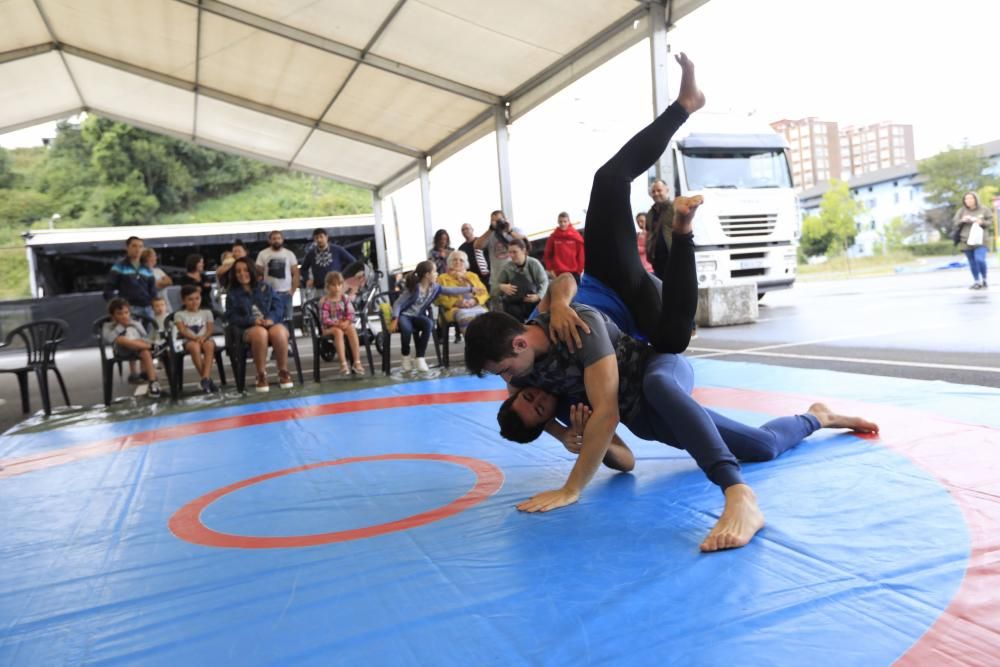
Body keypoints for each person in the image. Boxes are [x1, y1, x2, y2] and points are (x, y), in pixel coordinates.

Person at [467, 52, 785, 552]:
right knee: (695, 364)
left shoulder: (547, 329)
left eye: (511, 376)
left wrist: (559, 305)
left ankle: (684, 106)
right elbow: (619, 454)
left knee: (608, 181)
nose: (518, 384)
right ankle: (817, 417)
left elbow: (566, 279)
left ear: (518, 342)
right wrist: (564, 435)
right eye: (515, 387)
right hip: (641, 332)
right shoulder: (533, 380)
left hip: (614, 292)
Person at [390, 260, 474, 372]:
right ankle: (405, 356)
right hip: (405, 316)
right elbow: (398, 303)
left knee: (428, 324)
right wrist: (395, 319)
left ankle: (420, 357)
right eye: (434, 272)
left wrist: (470, 289)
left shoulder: (434, 288)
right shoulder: (415, 288)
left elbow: (451, 290)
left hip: (417, 316)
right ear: (427, 274)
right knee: (407, 330)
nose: (437, 274)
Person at [226, 257, 294, 392]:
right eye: (238, 271)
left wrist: (271, 319)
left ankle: (283, 372)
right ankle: (261, 374)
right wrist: (252, 321)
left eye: (245, 270)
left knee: (279, 332)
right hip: (248, 329)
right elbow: (232, 317)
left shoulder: (266, 287)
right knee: (260, 332)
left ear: (251, 271)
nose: (242, 273)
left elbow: (279, 306)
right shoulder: (232, 294)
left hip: (272, 324)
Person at [102, 297, 162, 398]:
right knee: (121, 339)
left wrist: (134, 326)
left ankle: (153, 382)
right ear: (112, 315)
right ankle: (153, 347)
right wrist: (122, 326)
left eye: (126, 312)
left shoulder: (135, 323)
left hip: (139, 348)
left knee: (145, 351)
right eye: (119, 313)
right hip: (122, 350)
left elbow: (144, 335)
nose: (124, 316)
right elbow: (110, 338)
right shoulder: (108, 326)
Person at [174, 284, 219, 393]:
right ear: (183, 301)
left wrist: (203, 337)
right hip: (188, 340)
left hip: (205, 339)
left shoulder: (207, 312)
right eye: (190, 300)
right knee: (194, 347)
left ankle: (205, 379)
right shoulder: (179, 314)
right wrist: (195, 338)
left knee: (209, 345)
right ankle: (207, 379)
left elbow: (210, 329)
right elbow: (182, 330)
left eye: (197, 298)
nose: (194, 302)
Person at [319, 271, 364, 375]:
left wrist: (347, 322)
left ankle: (357, 362)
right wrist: (336, 323)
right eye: (334, 285)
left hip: (343, 324)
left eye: (339, 285)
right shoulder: (325, 301)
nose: (337, 288)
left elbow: (351, 313)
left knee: (352, 329)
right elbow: (324, 319)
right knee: (338, 332)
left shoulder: (345, 298)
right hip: (329, 328)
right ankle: (343, 364)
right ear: (328, 286)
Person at [493, 238, 549, 322]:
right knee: (511, 311)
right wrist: (501, 287)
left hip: (534, 300)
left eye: (514, 252)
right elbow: (494, 288)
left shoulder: (534, 263)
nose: (511, 255)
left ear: (523, 251)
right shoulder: (506, 267)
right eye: (510, 252)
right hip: (515, 303)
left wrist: (538, 296)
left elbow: (544, 282)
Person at [474, 210, 526, 299]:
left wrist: (509, 231)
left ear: (505, 219)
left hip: (515, 275)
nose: (497, 223)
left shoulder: (514, 230)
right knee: (498, 307)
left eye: (499, 220)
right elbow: (477, 246)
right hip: (497, 279)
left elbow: (524, 242)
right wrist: (490, 229)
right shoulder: (490, 234)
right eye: (494, 221)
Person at [103, 236, 157, 321]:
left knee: (150, 334)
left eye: (140, 246)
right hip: (128, 310)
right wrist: (118, 307)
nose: (138, 249)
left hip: (147, 309)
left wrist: (153, 305)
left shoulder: (147, 269)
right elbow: (108, 289)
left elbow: (153, 290)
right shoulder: (119, 267)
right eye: (134, 246)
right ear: (127, 248)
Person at [436, 250, 489, 333]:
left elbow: (484, 292)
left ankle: (485, 342)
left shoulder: (472, 276)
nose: (458, 262)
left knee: (486, 316)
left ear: (466, 263)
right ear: (449, 262)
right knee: (465, 316)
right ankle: (471, 342)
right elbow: (439, 298)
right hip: (454, 309)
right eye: (454, 259)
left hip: (475, 306)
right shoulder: (442, 278)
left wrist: (475, 300)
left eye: (461, 260)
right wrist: (456, 302)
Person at [952, 191, 994, 289]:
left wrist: (981, 221)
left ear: (975, 199)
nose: (968, 200)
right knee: (972, 262)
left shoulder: (984, 209)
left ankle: (984, 279)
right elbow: (955, 222)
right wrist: (962, 220)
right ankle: (977, 281)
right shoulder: (961, 211)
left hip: (981, 239)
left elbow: (990, 221)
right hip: (965, 239)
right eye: (966, 199)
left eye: (970, 198)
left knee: (980, 259)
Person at [256, 230, 300, 319]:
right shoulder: (262, 254)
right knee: (270, 318)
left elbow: (296, 273)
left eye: (279, 238)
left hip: (286, 293)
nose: (276, 240)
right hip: (269, 293)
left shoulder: (289, 254)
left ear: (282, 240)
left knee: (288, 319)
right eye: (274, 238)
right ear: (269, 241)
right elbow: (258, 271)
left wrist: (292, 291)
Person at [300, 228, 355, 298]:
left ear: (326, 237)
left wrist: (344, 276)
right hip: (319, 289)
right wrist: (307, 279)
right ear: (314, 240)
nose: (319, 240)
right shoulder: (311, 254)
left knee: (337, 308)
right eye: (316, 238)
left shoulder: (337, 250)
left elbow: (353, 262)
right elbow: (303, 269)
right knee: (321, 307)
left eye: (321, 237)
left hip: (336, 288)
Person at [645, 179, 675, 279]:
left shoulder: (675, 208)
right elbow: (649, 233)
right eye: (653, 192)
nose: (656, 193)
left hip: (673, 258)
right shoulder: (650, 213)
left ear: (667, 190)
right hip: (657, 261)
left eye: (659, 190)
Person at [543, 212, 585, 281]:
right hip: (558, 273)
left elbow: (581, 255)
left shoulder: (576, 236)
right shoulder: (553, 237)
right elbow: (547, 255)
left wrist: (579, 271)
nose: (563, 224)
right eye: (560, 221)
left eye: (565, 221)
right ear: (558, 222)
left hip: (574, 273)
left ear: (569, 222)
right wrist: (550, 269)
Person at [459, 222, 490, 287]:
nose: (465, 231)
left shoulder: (481, 241)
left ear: (472, 230)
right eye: (463, 230)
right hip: (472, 280)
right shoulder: (461, 248)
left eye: (467, 229)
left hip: (486, 277)